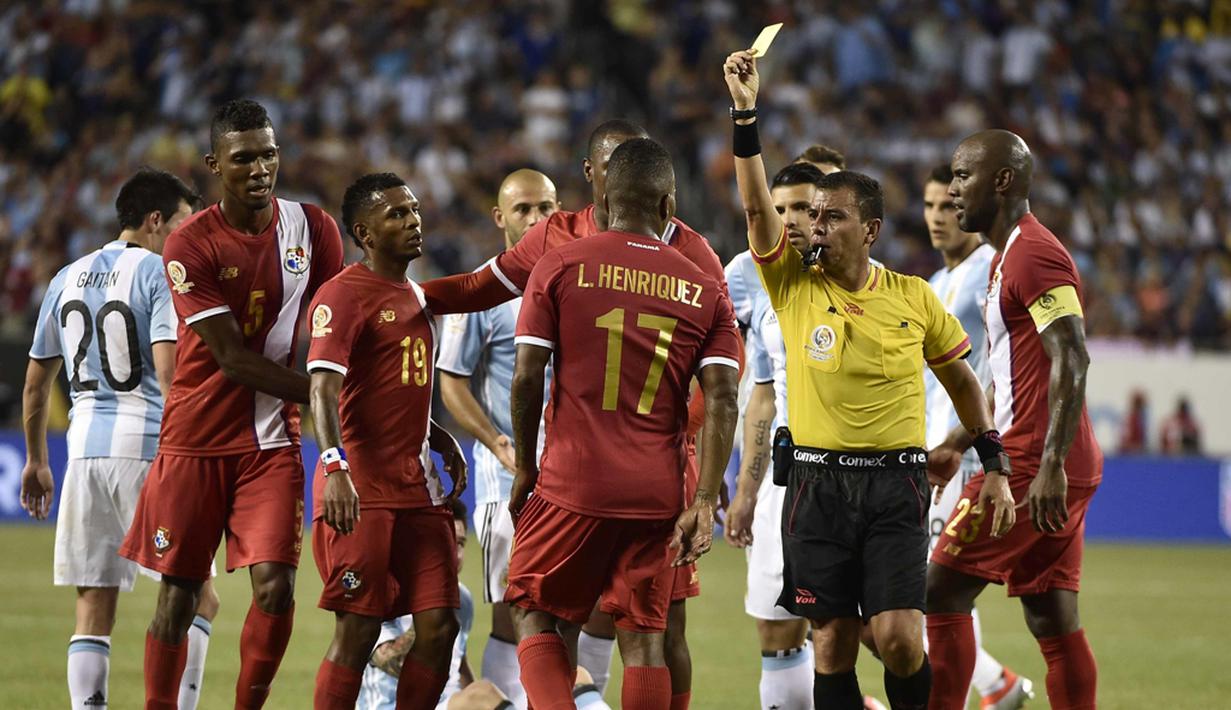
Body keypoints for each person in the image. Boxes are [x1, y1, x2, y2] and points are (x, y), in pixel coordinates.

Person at [723, 50, 1015, 709]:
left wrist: (991, 456)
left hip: (894, 487)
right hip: (815, 486)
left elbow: (965, 381)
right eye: (812, 216)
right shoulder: (791, 285)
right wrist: (744, 113)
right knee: (829, 640)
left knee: (900, 640)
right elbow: (752, 207)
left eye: (831, 218)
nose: (814, 227)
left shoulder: (914, 297)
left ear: (871, 230)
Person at [118, 99, 344, 709]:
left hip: (270, 442)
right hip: (194, 441)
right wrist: (333, 393)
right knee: (180, 593)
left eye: (268, 153)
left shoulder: (315, 230)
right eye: (243, 157)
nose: (259, 167)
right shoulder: (188, 245)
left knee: (275, 589)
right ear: (215, 164)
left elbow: (334, 328)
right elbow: (233, 360)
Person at [505, 137, 742, 709]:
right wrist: (705, 498)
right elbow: (724, 396)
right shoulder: (703, 287)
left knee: (532, 609)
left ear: (604, 197)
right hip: (657, 489)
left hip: (573, 479)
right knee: (644, 639)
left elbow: (526, 374)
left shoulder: (559, 264)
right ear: (668, 207)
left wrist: (525, 467)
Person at [21, 168, 219, 710]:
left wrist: (38, 460)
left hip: (82, 452)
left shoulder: (66, 277)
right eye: (183, 223)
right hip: (150, 448)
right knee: (198, 597)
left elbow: (37, 382)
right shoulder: (158, 272)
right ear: (155, 221)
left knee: (93, 606)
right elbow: (170, 372)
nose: (189, 235)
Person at [926, 130, 1102, 710]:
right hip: (1048, 454)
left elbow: (1072, 354)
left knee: (940, 589)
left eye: (962, 176)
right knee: (1051, 614)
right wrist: (958, 439)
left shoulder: (1036, 252)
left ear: (1001, 181)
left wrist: (1047, 462)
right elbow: (1010, 372)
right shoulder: (1007, 257)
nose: (952, 192)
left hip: (1032, 458)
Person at [306, 172, 471, 709]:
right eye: (396, 214)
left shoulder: (415, 296)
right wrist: (335, 469)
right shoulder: (343, 294)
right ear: (365, 232)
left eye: (415, 210)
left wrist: (434, 431)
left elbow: (391, 386)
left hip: (418, 489)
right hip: (362, 490)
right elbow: (323, 391)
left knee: (441, 626)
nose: (413, 221)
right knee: (358, 631)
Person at [437, 169, 560, 708]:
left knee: (569, 614)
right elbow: (452, 382)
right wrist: (495, 441)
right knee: (515, 613)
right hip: (505, 484)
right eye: (524, 209)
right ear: (500, 218)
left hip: (573, 478)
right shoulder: (482, 293)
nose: (537, 220)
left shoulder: (576, 279)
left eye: (547, 208)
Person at [921, 164, 1034, 709]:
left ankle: (988, 689)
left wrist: (966, 442)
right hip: (932, 453)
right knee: (942, 591)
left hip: (964, 453)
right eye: (929, 206)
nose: (939, 217)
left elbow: (997, 368)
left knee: (942, 590)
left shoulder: (991, 267)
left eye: (948, 205)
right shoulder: (936, 284)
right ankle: (998, 687)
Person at [723, 161, 826, 710]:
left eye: (803, 209)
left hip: (851, 474)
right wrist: (744, 488)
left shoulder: (864, 278)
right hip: (784, 480)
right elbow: (760, 390)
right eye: (779, 209)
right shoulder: (747, 275)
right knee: (777, 628)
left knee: (862, 635)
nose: (789, 221)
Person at [357, 500, 474, 709]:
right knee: (481, 698)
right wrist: (433, 610)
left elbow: (458, 662)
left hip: (445, 703)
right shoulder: (385, 595)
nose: (454, 555)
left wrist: (472, 692)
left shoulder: (462, 598)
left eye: (460, 544)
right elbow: (394, 663)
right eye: (446, 542)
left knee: (483, 695)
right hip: (390, 705)